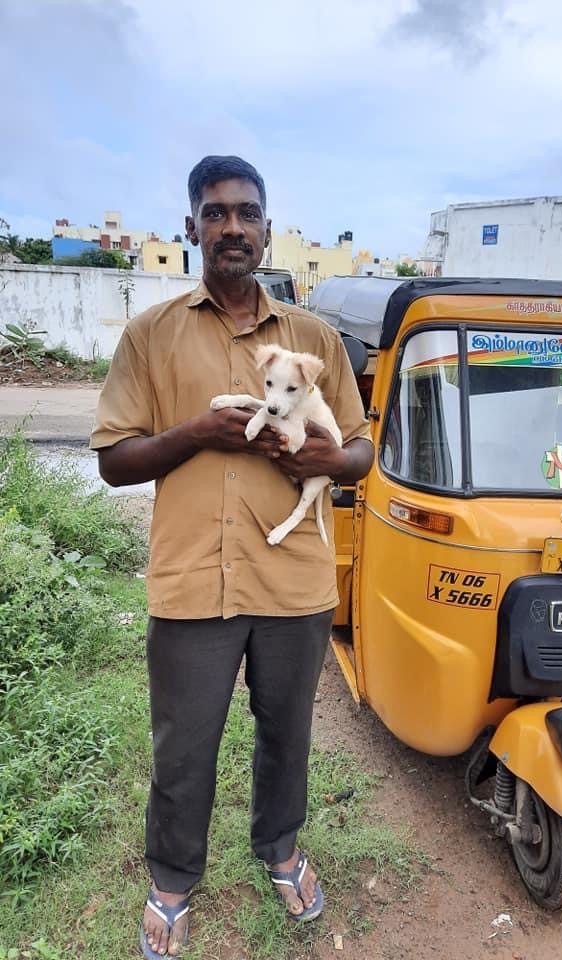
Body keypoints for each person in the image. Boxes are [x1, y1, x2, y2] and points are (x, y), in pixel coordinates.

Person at [91, 155, 374, 958]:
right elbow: (114, 459)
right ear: (191, 228)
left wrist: (325, 462)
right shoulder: (152, 335)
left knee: (285, 734)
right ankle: (174, 879)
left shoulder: (314, 339)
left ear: (267, 228)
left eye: (246, 213)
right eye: (214, 214)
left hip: (292, 584)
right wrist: (197, 435)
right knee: (184, 744)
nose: (232, 227)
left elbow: (360, 452)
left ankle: (280, 851)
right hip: (193, 583)